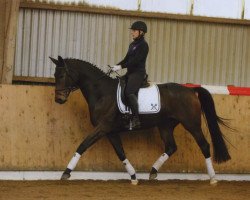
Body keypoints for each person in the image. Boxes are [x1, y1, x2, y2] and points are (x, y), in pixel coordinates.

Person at [112, 21, 149, 128]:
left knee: (129, 92)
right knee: (118, 86)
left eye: (134, 31)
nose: (132, 33)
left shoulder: (144, 45)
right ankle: (125, 114)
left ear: (141, 32)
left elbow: (135, 61)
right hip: (130, 73)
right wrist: (116, 66)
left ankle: (136, 119)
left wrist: (121, 67)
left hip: (138, 73)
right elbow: (126, 59)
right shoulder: (132, 44)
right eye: (132, 31)